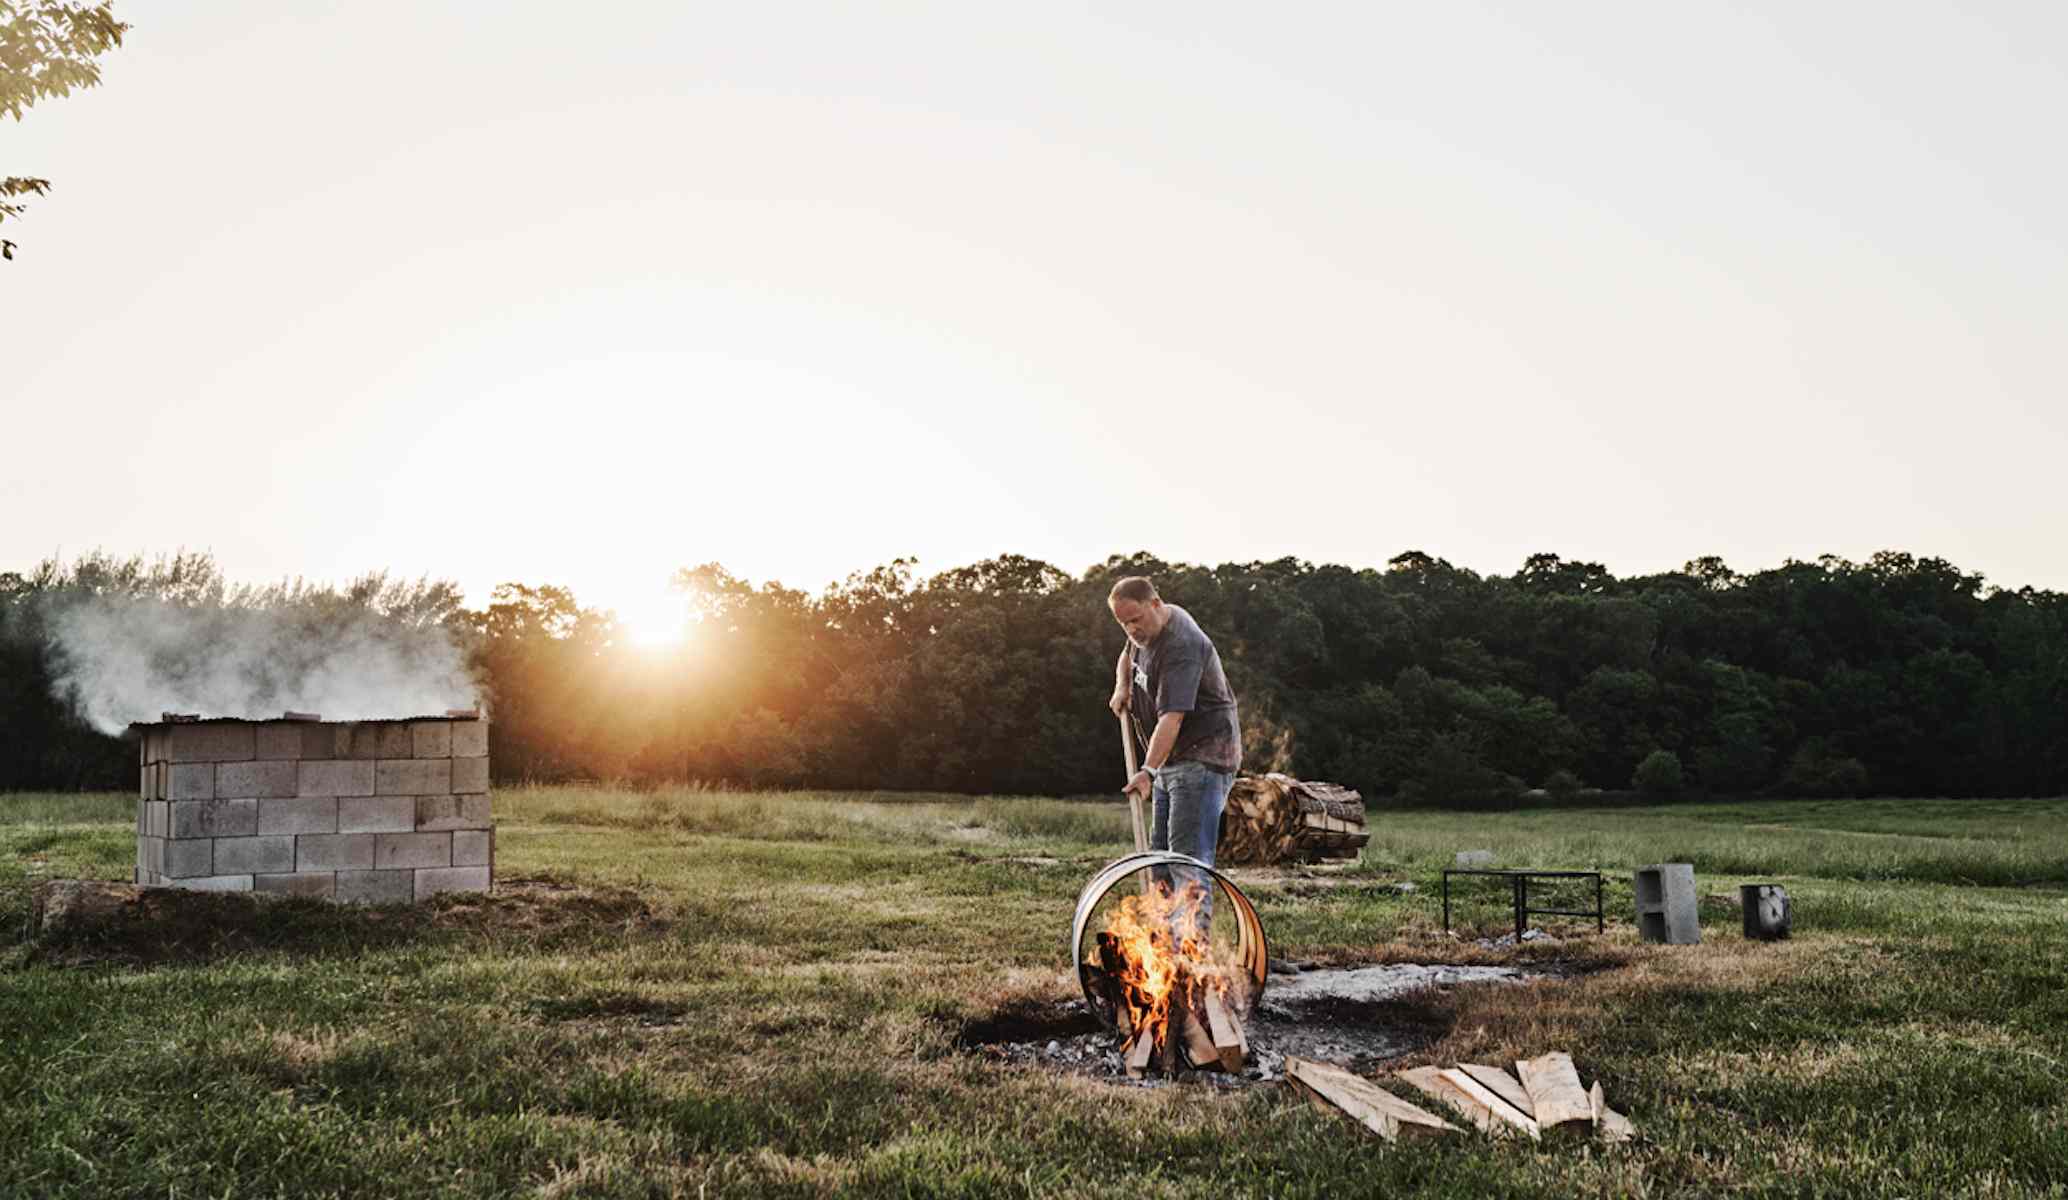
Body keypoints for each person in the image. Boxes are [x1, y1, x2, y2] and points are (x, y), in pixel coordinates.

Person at [1106, 576, 1241, 899]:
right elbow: (1127, 653)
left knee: (1186, 863)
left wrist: (1148, 771)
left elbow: (1173, 718)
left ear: (1155, 604)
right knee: (1160, 862)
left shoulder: (1182, 645)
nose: (1131, 630)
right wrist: (1122, 686)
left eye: (1135, 620)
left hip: (1202, 759)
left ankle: (1193, 948)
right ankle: (1165, 944)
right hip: (1171, 758)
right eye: (1124, 624)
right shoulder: (1143, 632)